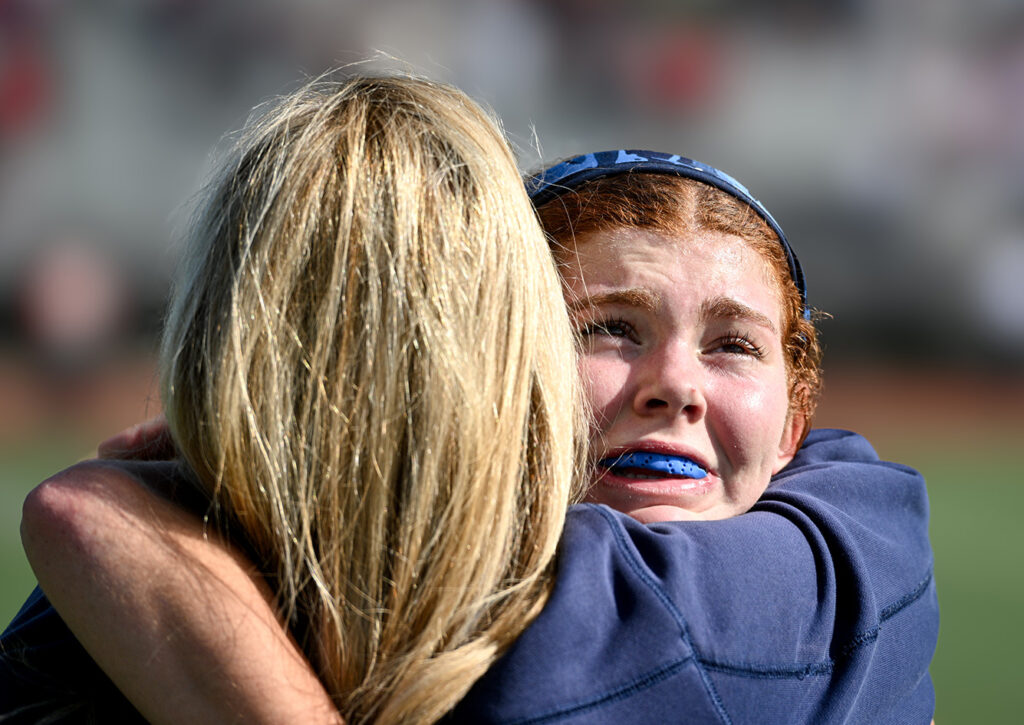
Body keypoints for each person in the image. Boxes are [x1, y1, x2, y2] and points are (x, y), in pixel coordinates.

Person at [2, 133, 938, 721]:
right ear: (490, 372)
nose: (675, 387)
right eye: (608, 327)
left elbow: (87, 519)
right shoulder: (868, 537)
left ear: (792, 425)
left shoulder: (835, 570)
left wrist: (210, 481)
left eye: (734, 345)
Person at [1, 75, 585, 724]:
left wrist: (105, 510)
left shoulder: (86, 612)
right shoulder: (632, 607)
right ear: (521, 339)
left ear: (224, 339)